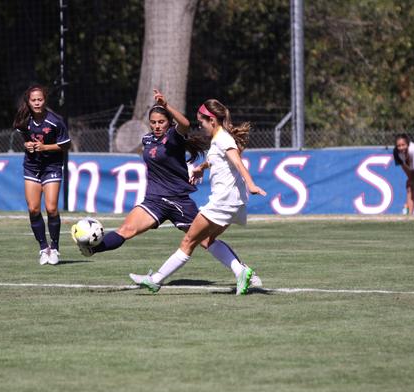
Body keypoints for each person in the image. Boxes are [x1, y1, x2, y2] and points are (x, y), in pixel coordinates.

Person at [79, 90, 262, 287]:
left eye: (161, 122)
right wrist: (201, 168)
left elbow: (184, 124)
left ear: (168, 122)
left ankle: (244, 271)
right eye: (153, 122)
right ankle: (94, 249)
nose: (157, 126)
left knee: (206, 240)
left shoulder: (175, 136)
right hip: (155, 200)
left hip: (179, 201)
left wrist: (166, 105)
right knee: (126, 229)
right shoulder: (147, 140)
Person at [130, 99, 267, 295]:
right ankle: (242, 272)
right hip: (234, 202)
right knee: (208, 240)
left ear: (212, 120)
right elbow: (219, 160)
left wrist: (251, 184)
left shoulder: (223, 139)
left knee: (188, 242)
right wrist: (202, 168)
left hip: (222, 201)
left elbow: (237, 162)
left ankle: (155, 280)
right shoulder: (219, 138)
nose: (200, 126)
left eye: (201, 121)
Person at [13, 85, 70, 265]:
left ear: (45, 100)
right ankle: (43, 248)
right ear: (28, 102)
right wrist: (27, 145)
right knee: (33, 209)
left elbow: (66, 145)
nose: (37, 103)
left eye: (40, 99)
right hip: (32, 166)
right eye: (33, 100)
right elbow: (24, 138)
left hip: (52, 166)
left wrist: (45, 147)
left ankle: (54, 248)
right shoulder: (24, 119)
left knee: (51, 208)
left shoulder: (56, 121)